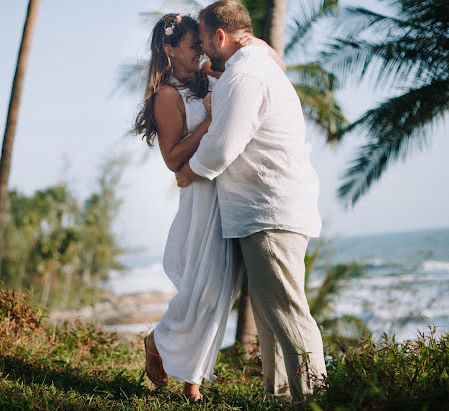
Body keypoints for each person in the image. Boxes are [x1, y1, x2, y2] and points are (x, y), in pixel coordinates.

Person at [175, 0, 327, 403]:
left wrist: (187, 172)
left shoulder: (246, 74)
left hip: (269, 210)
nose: (204, 50)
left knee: (287, 312)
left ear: (220, 36)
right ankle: (278, 397)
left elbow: (223, 146)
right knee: (270, 313)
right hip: (268, 208)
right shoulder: (255, 64)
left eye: (206, 41)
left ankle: (315, 400)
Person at [133, 13, 285, 402]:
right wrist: (208, 124)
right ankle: (162, 348)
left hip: (230, 190)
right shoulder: (166, 95)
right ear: (169, 49)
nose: (200, 50)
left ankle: (189, 376)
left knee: (222, 291)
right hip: (200, 194)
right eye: (192, 45)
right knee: (203, 289)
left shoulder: (209, 76)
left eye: (201, 43)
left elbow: (267, 67)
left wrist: (254, 42)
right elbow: (172, 159)